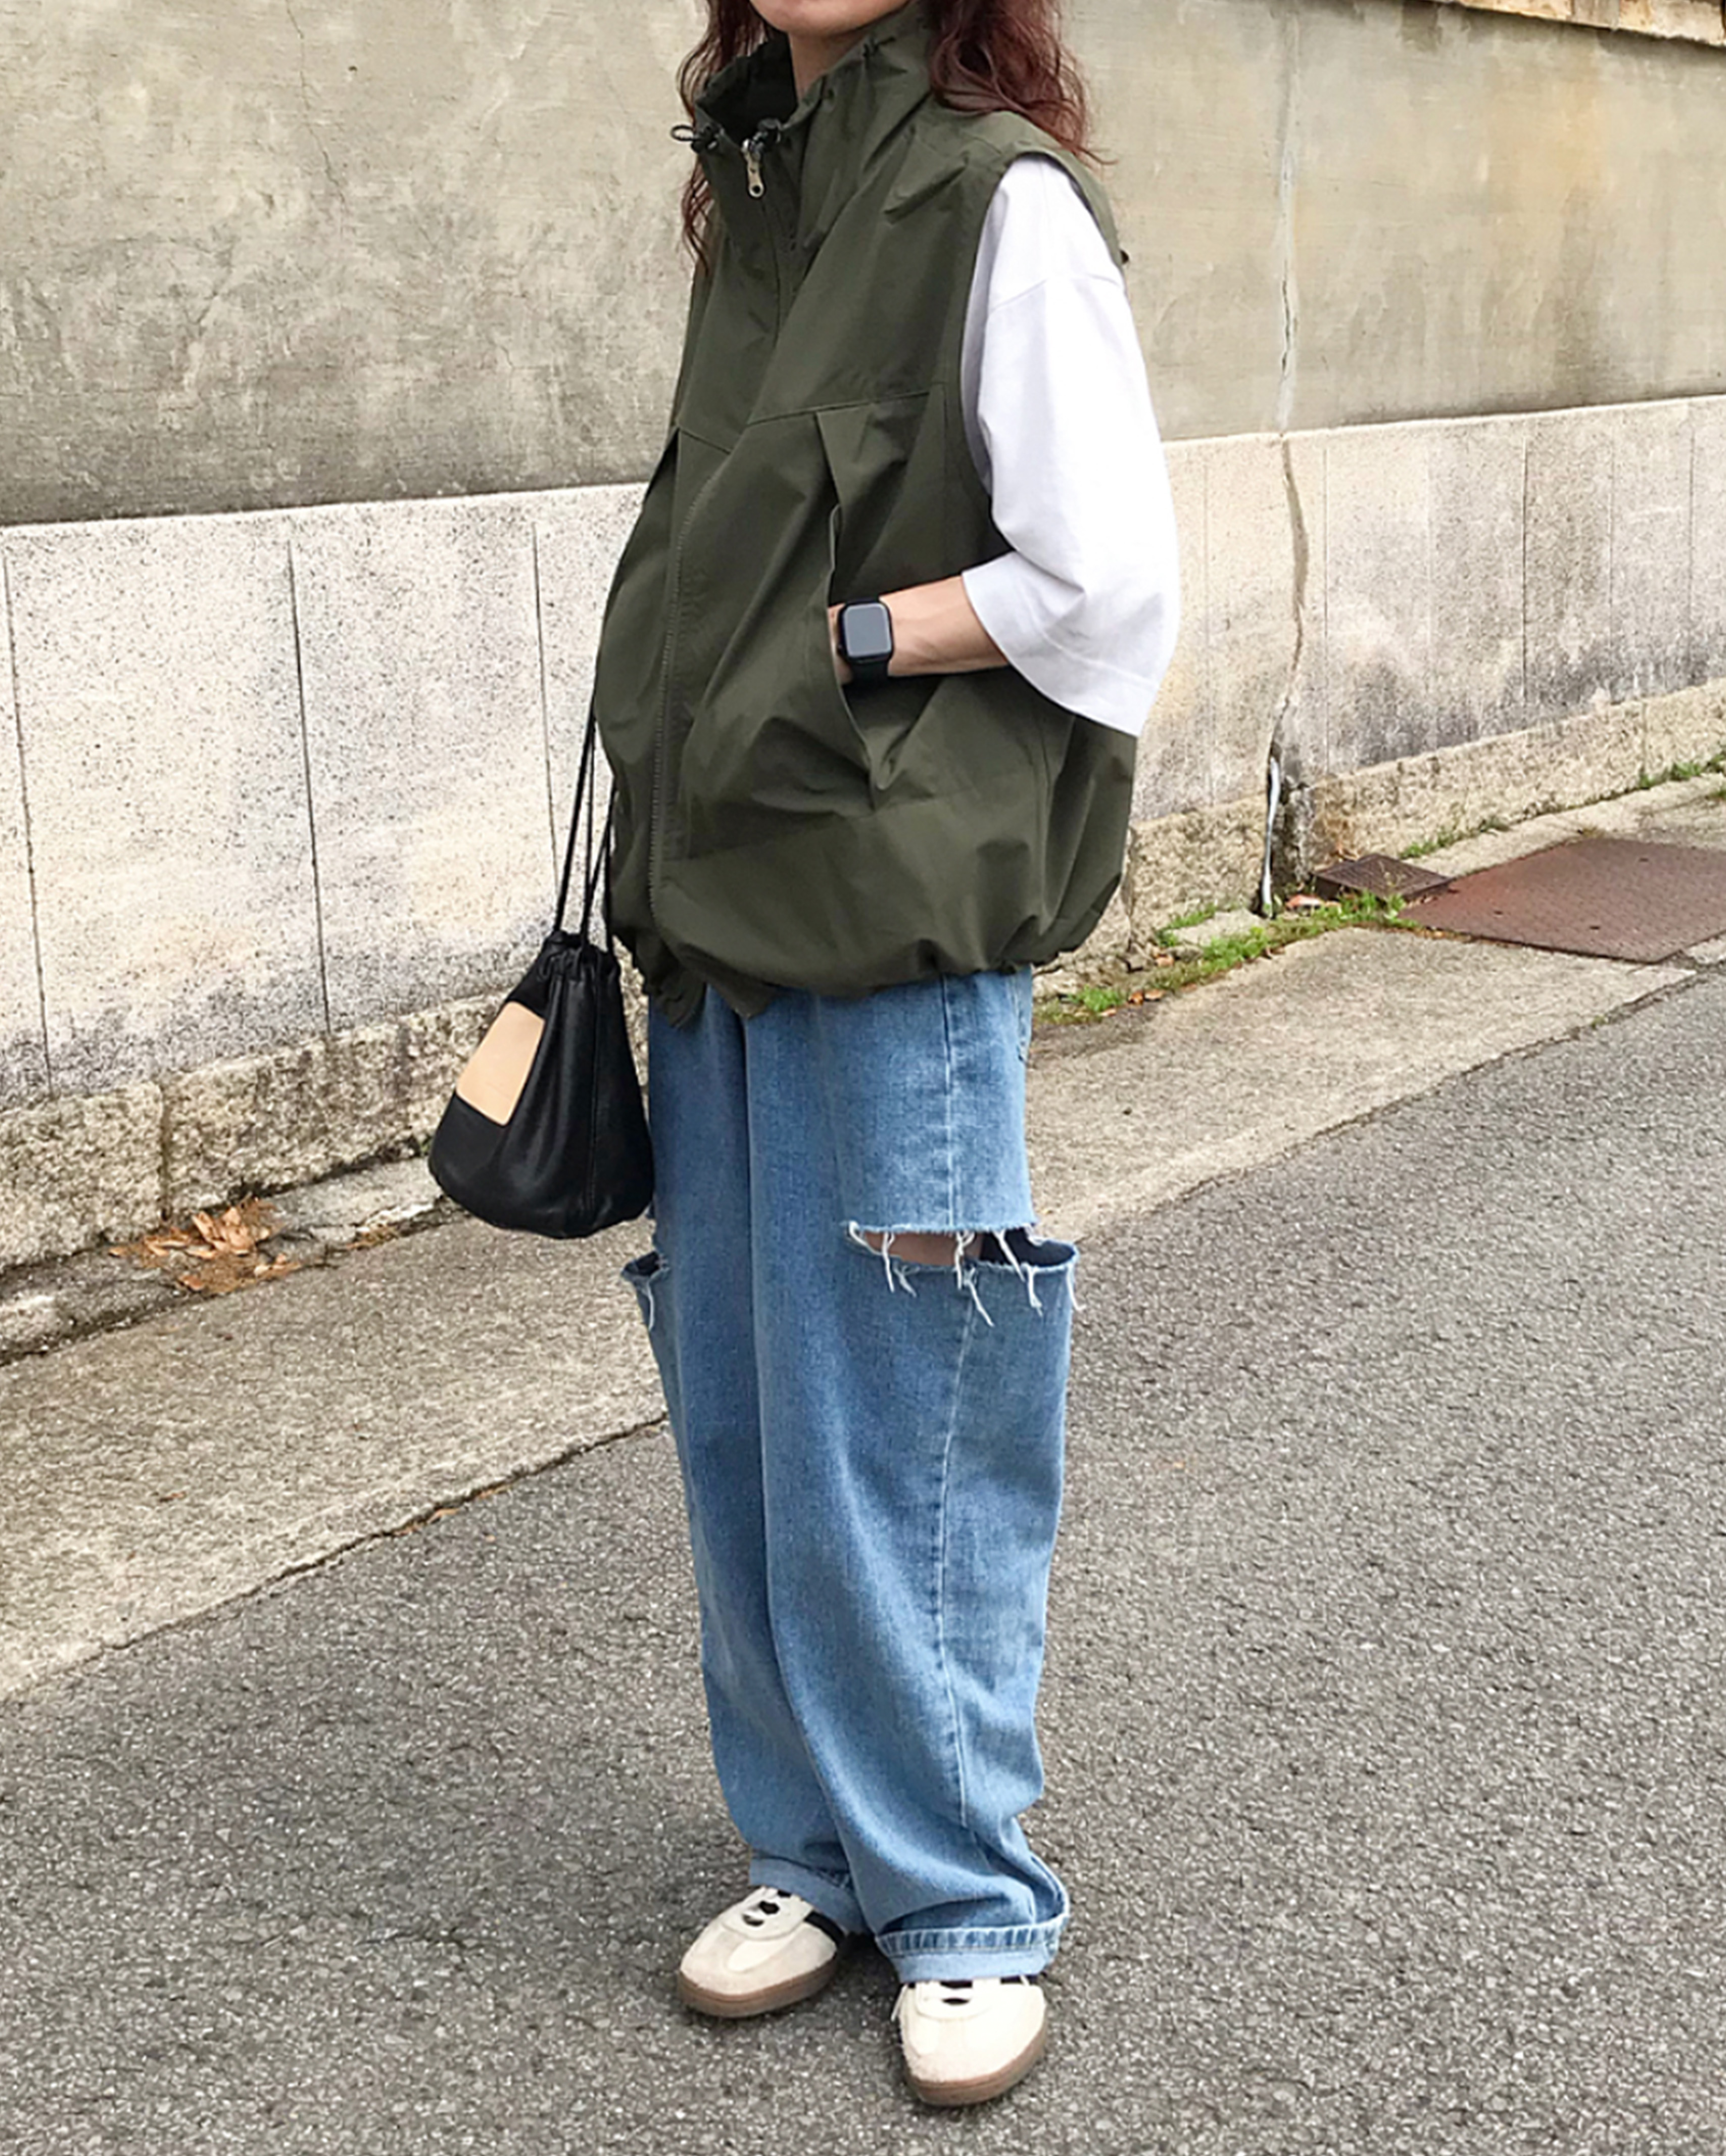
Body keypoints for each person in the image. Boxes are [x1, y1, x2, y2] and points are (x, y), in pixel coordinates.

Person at [589, 0, 1180, 2108]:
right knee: (746, 1397)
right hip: (720, 895)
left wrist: (834, 643)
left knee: (908, 1410)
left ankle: (964, 1897)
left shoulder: (992, 197)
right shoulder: (756, 183)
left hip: (897, 900)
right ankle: (814, 1849)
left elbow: (1104, 581)